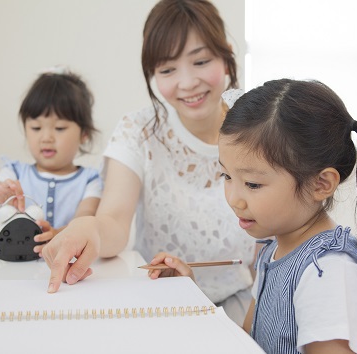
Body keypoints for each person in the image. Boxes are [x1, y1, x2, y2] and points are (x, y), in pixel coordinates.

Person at [147, 79, 357, 353]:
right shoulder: (274, 251)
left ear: (321, 184)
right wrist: (189, 295)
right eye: (226, 176)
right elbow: (245, 344)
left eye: (252, 184)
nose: (232, 198)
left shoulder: (328, 273)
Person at [42, 0, 258, 325]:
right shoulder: (138, 130)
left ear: (227, 56)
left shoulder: (260, 128)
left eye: (200, 61)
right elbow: (114, 218)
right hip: (161, 303)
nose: (186, 83)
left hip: (245, 304)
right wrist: (91, 229)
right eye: (167, 70)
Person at [0, 67, 102, 255]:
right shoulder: (15, 173)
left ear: (84, 134)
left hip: (68, 265)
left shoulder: (90, 180)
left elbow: (85, 218)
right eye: (36, 127)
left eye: (59, 128)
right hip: (15, 268)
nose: (46, 137)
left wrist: (57, 235)